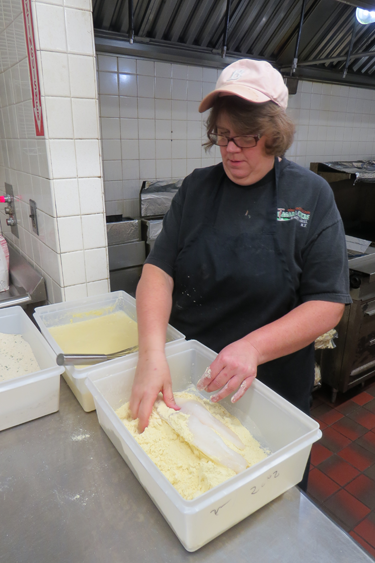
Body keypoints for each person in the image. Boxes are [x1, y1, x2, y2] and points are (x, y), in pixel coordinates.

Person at [129, 59, 351, 489]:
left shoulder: (311, 196)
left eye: (247, 137)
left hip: (270, 390)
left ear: (275, 134)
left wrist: (252, 347)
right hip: (190, 380)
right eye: (223, 134)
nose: (231, 149)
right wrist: (152, 354)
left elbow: (327, 303)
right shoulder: (197, 188)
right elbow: (158, 270)